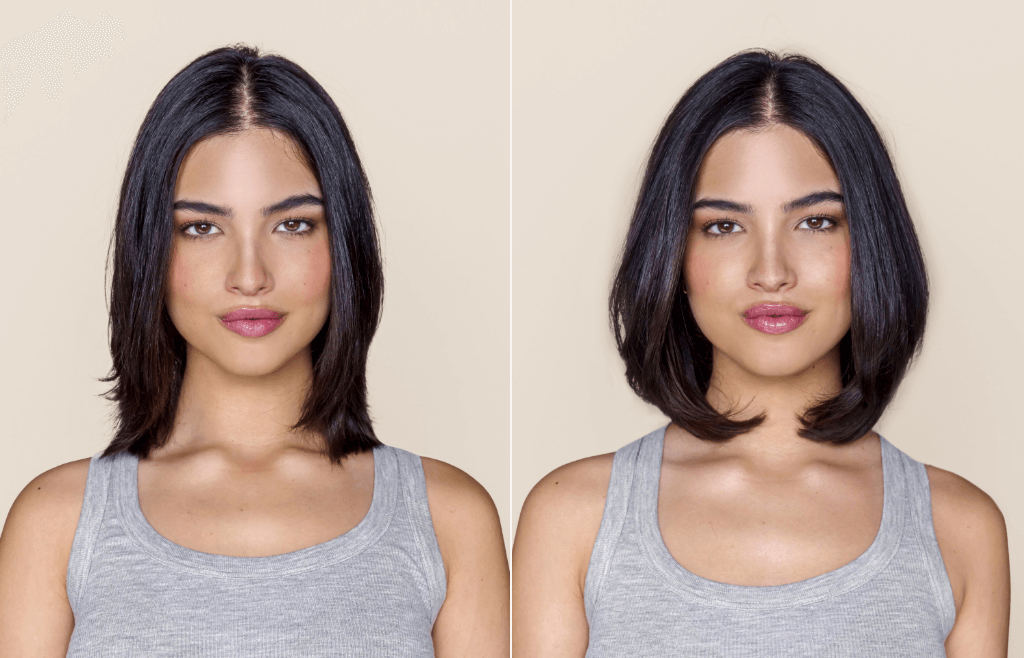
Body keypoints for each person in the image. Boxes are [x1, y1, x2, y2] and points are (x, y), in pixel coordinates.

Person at [0, 45, 509, 657]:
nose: (249, 275)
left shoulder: (450, 519)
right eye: (201, 227)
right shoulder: (55, 523)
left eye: (292, 224)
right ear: (151, 252)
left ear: (344, 243)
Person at [512, 49, 1009, 657]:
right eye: (723, 226)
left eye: (816, 222)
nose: (770, 272)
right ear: (672, 250)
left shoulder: (960, 529)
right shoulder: (573, 518)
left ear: (872, 241)